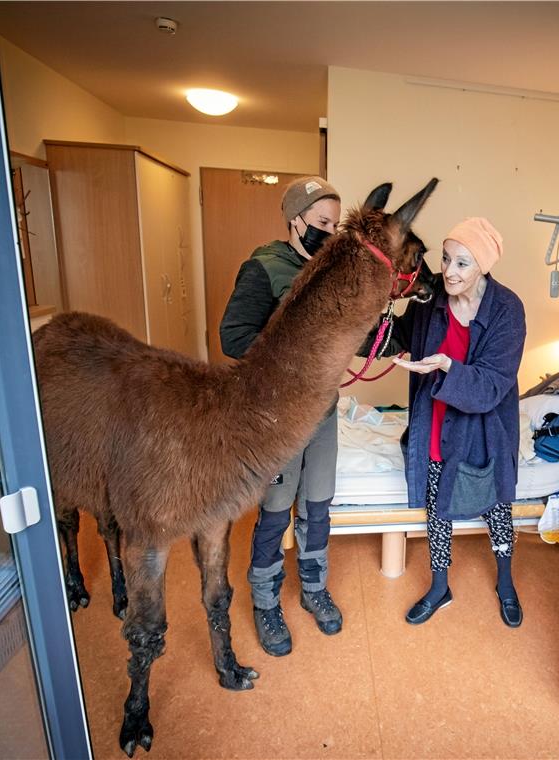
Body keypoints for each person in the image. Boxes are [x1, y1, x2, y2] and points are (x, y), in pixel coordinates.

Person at [219, 175, 343, 656]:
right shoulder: (265, 267)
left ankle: (313, 589)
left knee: (318, 505)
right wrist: (296, 357)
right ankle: (266, 601)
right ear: (296, 221)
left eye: (336, 225)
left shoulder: (331, 273)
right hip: (278, 416)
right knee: (275, 511)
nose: (330, 234)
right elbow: (233, 338)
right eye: (321, 223)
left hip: (324, 411)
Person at [387, 217, 526, 627]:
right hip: (437, 420)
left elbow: (490, 385)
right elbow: (399, 335)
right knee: (438, 507)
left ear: (483, 266)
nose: (449, 271)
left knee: (498, 508)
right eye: (446, 259)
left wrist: (447, 365)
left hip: (486, 429)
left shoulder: (507, 310)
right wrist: (372, 322)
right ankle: (439, 586)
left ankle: (505, 582)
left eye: (462, 264)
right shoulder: (432, 302)